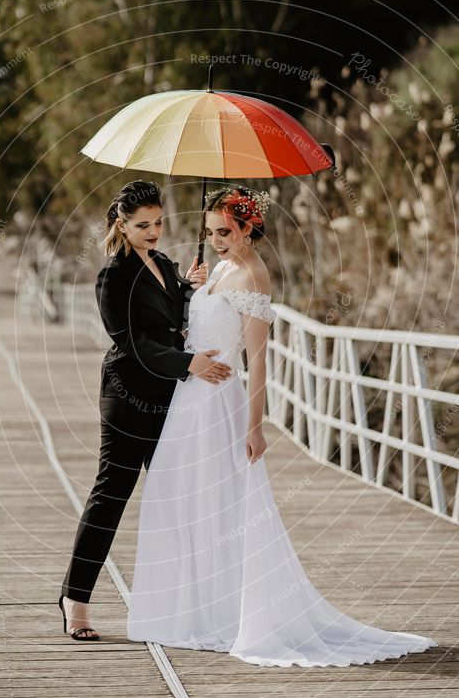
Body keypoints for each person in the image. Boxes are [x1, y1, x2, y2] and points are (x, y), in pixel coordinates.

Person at [126, 185, 438, 667]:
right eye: (210, 233)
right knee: (182, 496)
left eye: (226, 232)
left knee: (222, 504)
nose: (217, 240)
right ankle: (190, 609)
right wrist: (195, 289)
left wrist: (255, 427)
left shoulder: (252, 277)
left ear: (250, 227)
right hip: (189, 399)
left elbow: (258, 362)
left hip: (219, 404)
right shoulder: (222, 268)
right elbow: (200, 330)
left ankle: (227, 613)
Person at [59, 179, 232, 640]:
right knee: (111, 497)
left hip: (169, 399)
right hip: (126, 395)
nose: (154, 232)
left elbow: (174, 321)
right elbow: (132, 342)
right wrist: (188, 363)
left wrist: (190, 289)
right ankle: (75, 599)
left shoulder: (164, 263)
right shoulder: (112, 277)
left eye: (158, 223)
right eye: (143, 226)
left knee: (173, 496)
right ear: (121, 224)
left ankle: (178, 607)